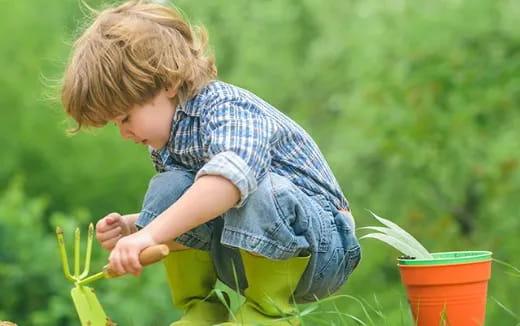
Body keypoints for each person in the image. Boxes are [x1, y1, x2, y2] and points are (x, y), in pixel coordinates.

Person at [60, 1, 361, 325]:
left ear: (167, 84)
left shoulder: (226, 109)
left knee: (251, 187)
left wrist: (150, 235)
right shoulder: (167, 143)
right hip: (244, 253)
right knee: (171, 187)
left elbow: (228, 185)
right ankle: (201, 308)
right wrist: (136, 225)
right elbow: (198, 210)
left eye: (125, 118)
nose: (123, 133)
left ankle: (269, 314)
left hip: (323, 250)